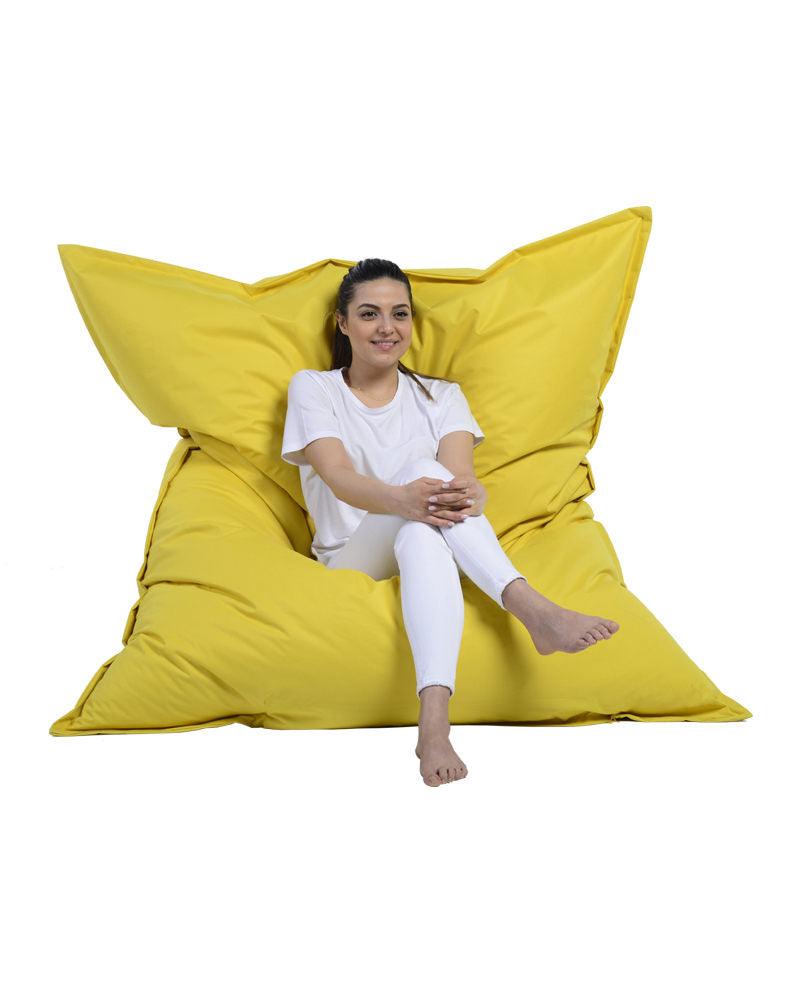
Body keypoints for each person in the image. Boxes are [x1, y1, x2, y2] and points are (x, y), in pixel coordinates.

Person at [281, 259, 620, 787]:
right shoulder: (315, 388)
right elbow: (339, 478)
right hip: (351, 556)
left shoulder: (442, 396)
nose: (387, 327)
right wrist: (404, 498)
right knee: (421, 479)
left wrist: (473, 494)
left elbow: (461, 482)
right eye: (369, 314)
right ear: (342, 324)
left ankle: (434, 724)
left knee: (422, 528)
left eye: (400, 314)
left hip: (430, 541)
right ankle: (532, 608)